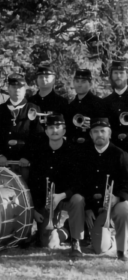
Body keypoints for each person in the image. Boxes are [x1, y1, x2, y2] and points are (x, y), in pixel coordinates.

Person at [21, 114, 84, 256]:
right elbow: (33, 183)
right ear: (46, 131)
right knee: (47, 244)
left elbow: (79, 183)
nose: (54, 130)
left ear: (64, 131)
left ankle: (75, 241)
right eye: (50, 127)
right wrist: (35, 210)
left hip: (66, 198)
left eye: (58, 127)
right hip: (47, 201)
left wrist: (61, 195)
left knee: (78, 199)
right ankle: (64, 231)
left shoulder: (74, 152)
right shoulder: (39, 152)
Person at [77, 118, 128, 260]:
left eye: (103, 131)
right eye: (95, 131)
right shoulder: (84, 155)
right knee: (99, 249)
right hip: (95, 208)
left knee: (124, 209)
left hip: (115, 205)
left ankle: (121, 250)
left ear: (110, 134)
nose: (99, 134)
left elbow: (127, 182)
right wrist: (86, 208)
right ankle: (110, 240)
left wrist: (118, 197)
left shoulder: (120, 154)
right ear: (90, 135)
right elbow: (80, 184)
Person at [0, 73, 43, 180]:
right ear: (8, 88)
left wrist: (28, 156)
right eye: (13, 87)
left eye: (20, 87)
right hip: (4, 162)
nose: (17, 90)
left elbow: (38, 136)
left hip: (26, 163)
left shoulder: (34, 109)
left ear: (25, 89)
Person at [66, 69, 105, 144]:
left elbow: (105, 129)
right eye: (77, 81)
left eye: (83, 82)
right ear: (73, 83)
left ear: (90, 84)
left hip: (92, 147)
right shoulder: (71, 105)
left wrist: (93, 124)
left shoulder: (99, 103)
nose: (79, 85)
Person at [103, 60, 128, 152]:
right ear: (111, 76)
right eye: (115, 73)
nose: (118, 76)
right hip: (113, 151)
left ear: (127, 75)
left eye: (121, 73)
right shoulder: (105, 102)